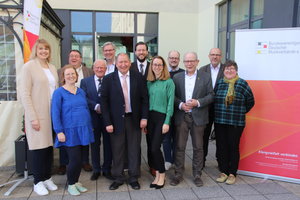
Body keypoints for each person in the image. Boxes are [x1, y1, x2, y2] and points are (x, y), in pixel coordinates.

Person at [101, 53, 149, 190]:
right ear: (116, 64)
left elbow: (144, 99)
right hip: (115, 122)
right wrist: (108, 122)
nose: (123, 64)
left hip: (133, 119)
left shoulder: (138, 77)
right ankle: (118, 177)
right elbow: (103, 102)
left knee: (134, 149)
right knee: (117, 150)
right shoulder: (108, 79)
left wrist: (144, 117)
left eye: (126, 62)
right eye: (120, 62)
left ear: (130, 63)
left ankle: (134, 177)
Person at [20, 39, 58, 196]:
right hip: (38, 114)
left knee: (49, 148)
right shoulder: (29, 67)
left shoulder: (52, 67)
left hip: (52, 114)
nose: (44, 51)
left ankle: (47, 177)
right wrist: (32, 117)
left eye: (46, 49)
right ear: (36, 50)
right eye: (41, 48)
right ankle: (37, 181)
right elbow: (24, 93)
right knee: (38, 149)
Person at [170, 52, 214, 187]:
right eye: (187, 61)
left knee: (198, 147)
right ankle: (178, 174)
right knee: (179, 147)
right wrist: (181, 105)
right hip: (182, 116)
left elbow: (211, 95)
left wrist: (198, 102)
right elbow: (173, 96)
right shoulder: (177, 77)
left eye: (192, 61)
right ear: (184, 63)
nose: (189, 64)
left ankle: (197, 174)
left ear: (197, 62)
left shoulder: (205, 77)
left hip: (198, 116)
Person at [51, 65, 94, 196]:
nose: (71, 76)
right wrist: (59, 131)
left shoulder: (81, 91)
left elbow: (86, 109)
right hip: (69, 132)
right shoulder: (59, 92)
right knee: (74, 160)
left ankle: (75, 182)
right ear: (63, 77)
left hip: (83, 130)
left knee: (81, 159)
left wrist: (89, 126)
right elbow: (55, 113)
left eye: (73, 74)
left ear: (77, 76)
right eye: (68, 74)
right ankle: (70, 184)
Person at [214, 60, 254, 185]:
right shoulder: (220, 83)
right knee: (221, 146)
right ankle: (224, 171)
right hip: (220, 120)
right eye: (227, 69)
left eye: (232, 69)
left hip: (236, 122)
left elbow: (251, 101)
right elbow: (214, 98)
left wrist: (241, 112)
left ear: (236, 70)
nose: (229, 71)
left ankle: (232, 173)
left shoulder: (242, 84)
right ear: (223, 71)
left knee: (233, 146)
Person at [57, 50, 94, 175]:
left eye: (76, 56)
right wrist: (58, 130)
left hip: (82, 115)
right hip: (67, 117)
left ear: (81, 58)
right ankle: (63, 163)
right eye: (71, 56)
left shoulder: (88, 71)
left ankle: (85, 162)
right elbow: (56, 109)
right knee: (67, 143)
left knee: (83, 142)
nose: (74, 58)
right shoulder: (60, 72)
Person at [80, 60, 113, 181]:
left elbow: (114, 97)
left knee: (108, 144)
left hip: (108, 118)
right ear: (93, 68)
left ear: (106, 69)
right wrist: (96, 106)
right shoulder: (85, 82)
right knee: (94, 145)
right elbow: (83, 97)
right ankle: (96, 169)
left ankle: (107, 169)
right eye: (97, 67)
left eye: (102, 68)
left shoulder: (110, 80)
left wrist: (104, 108)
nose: (100, 69)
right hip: (92, 117)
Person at [146, 56, 175, 189]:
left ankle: (162, 175)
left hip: (161, 118)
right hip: (150, 118)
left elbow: (170, 104)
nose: (157, 67)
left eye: (159, 65)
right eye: (154, 65)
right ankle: (157, 174)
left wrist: (167, 122)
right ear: (151, 67)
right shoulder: (149, 82)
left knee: (155, 148)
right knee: (151, 149)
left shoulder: (169, 82)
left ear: (163, 67)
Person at [130, 42, 154, 175]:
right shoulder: (129, 66)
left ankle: (152, 165)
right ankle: (135, 167)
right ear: (135, 52)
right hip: (134, 110)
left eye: (143, 50)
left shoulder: (153, 66)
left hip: (151, 108)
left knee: (151, 140)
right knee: (134, 142)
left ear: (147, 52)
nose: (141, 52)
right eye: (138, 50)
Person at [199, 48, 224, 168]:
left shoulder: (226, 69)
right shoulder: (202, 70)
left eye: (217, 55)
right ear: (209, 56)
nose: (215, 57)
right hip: (206, 108)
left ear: (221, 56)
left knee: (220, 136)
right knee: (204, 135)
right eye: (213, 54)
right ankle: (201, 161)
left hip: (221, 109)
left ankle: (220, 160)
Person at [163, 50, 184, 170]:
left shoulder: (184, 73)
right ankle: (168, 160)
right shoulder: (164, 73)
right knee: (166, 138)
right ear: (168, 59)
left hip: (179, 111)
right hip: (166, 111)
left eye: (176, 58)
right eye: (171, 58)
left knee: (177, 138)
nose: (173, 60)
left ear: (179, 60)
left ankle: (176, 160)